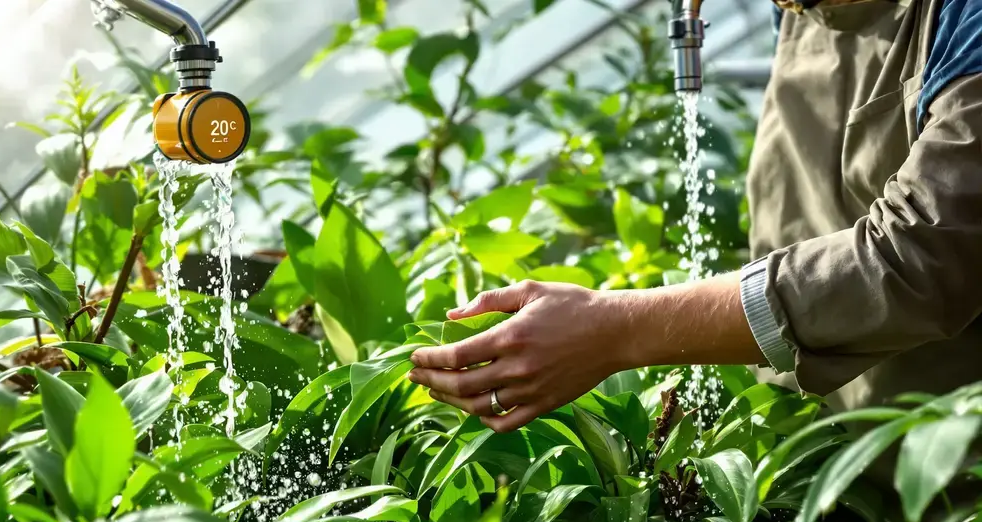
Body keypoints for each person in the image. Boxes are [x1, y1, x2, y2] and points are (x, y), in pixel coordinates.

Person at [408, 0, 982, 433]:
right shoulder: (806, 12)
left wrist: (619, 329)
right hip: (825, 468)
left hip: (950, 488)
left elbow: (922, 259)